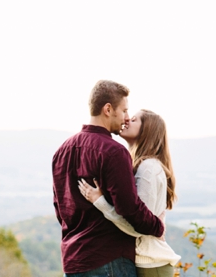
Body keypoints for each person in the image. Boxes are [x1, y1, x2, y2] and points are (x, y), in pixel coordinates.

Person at [52, 80, 165, 276]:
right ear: (108, 109)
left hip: (73, 261)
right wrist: (157, 226)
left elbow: (60, 210)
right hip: (109, 260)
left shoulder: (61, 151)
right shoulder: (114, 152)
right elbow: (129, 208)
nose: (126, 118)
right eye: (124, 111)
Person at [78, 109, 181, 277]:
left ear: (147, 130)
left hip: (151, 263)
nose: (126, 120)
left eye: (134, 120)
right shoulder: (140, 164)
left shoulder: (148, 168)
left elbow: (139, 225)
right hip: (145, 262)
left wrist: (99, 201)